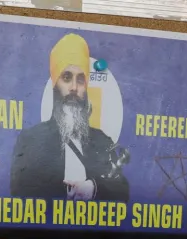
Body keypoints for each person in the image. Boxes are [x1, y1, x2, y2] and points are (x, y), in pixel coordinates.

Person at [10, 33, 129, 202]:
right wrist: (65, 191)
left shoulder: (102, 142)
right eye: (66, 78)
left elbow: (122, 191)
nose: (74, 87)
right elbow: (19, 188)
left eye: (80, 80)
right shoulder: (31, 140)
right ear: (55, 86)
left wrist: (93, 188)